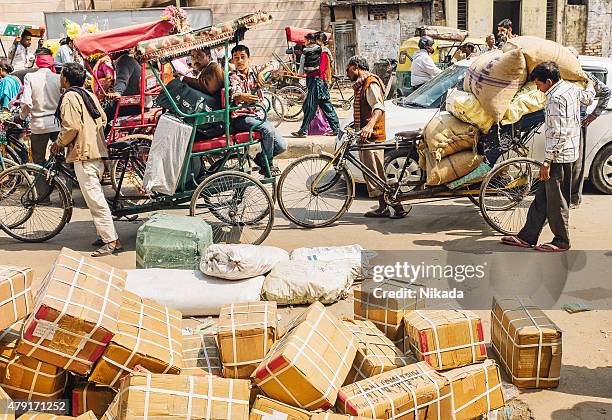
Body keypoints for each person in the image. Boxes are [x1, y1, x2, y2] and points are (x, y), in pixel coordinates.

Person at [501, 61, 594, 252]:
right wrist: (591, 82)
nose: (538, 88)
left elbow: (560, 133)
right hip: (569, 152)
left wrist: (547, 162)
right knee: (542, 198)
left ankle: (561, 241)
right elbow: (588, 97)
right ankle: (527, 237)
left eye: (539, 84)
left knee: (557, 202)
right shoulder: (571, 88)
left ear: (549, 81)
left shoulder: (555, 98)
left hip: (558, 158)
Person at [49, 63, 121, 257]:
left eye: (61, 75)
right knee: (94, 198)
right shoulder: (88, 95)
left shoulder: (70, 97)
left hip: (84, 154)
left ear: (65, 79)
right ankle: (105, 234)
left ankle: (111, 241)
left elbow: (70, 127)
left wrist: (58, 144)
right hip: (96, 151)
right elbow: (104, 119)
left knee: (95, 200)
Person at [346, 56, 409, 219]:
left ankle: (398, 207)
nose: (347, 73)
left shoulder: (370, 83)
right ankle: (383, 208)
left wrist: (369, 125)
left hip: (373, 136)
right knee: (372, 174)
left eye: (348, 69)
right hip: (365, 136)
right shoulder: (360, 85)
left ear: (355, 67)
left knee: (376, 173)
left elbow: (378, 107)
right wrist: (356, 125)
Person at [229, 44, 286, 176]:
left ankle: (261, 158)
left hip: (259, 115)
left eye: (243, 57)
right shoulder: (233, 76)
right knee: (268, 130)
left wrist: (263, 72)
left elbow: (276, 63)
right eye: (236, 58)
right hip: (242, 117)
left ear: (249, 58)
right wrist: (243, 96)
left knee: (282, 146)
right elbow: (235, 92)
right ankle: (268, 165)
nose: (240, 61)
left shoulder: (255, 71)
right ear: (233, 61)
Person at [567, 47, 611, 208]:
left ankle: (573, 199)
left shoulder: (585, 77)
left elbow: (606, 92)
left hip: (578, 123)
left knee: (576, 164)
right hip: (562, 123)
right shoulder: (560, 76)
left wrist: (593, 116)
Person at [19, 48, 61, 172]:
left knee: (38, 163)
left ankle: (43, 190)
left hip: (38, 126)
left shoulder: (30, 77)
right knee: (61, 159)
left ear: (37, 60)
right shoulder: (58, 77)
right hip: (56, 124)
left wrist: (21, 117)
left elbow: (27, 103)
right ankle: (64, 187)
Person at [291, 32, 339, 138]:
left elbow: (322, 69)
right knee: (326, 106)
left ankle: (303, 131)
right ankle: (336, 129)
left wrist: (309, 72)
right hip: (319, 82)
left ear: (318, 40)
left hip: (316, 82)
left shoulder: (322, 52)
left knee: (309, 106)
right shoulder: (321, 52)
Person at [104, 51, 146, 123]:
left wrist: (117, 92)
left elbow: (122, 79)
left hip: (132, 105)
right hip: (138, 101)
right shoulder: (129, 59)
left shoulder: (123, 61)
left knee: (104, 114)